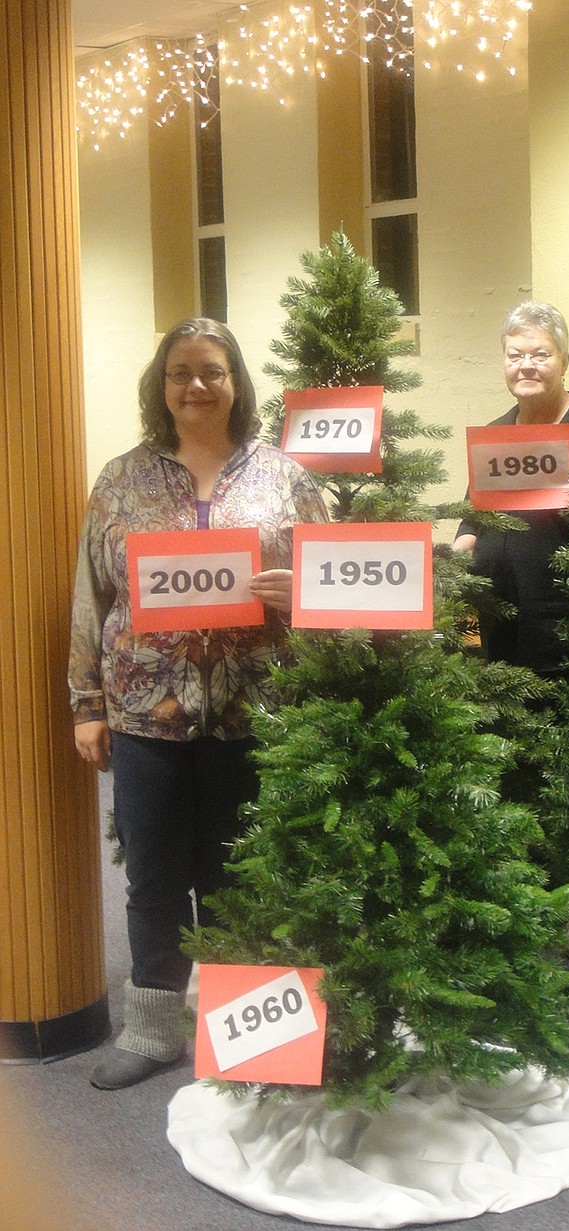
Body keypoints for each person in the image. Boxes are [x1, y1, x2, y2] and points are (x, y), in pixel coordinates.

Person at [68, 318, 328, 1089]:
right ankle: (150, 1030)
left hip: (256, 711)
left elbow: (338, 574)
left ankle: (243, 1033)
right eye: (181, 372)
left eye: (212, 370)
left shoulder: (285, 477)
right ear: (162, 386)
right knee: (152, 873)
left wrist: (301, 592)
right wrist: (86, 701)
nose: (197, 386)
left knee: (238, 874)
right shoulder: (121, 480)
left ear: (236, 381)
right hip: (145, 712)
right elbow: (92, 595)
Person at [454, 300, 569, 676]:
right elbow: (474, 517)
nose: (525, 365)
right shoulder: (496, 434)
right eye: (514, 355)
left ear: (564, 361)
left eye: (540, 354)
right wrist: (455, 554)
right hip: (499, 616)